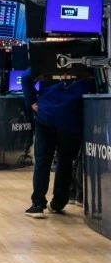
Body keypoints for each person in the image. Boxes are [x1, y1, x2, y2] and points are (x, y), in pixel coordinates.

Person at [21, 67, 94, 218]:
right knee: (65, 161)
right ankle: (58, 203)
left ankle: (37, 205)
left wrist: (32, 101)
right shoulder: (86, 58)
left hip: (47, 112)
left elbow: (26, 77)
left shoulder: (48, 56)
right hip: (72, 115)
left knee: (42, 161)